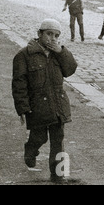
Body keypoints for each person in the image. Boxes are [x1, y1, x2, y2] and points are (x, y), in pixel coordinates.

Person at [12, 19, 78, 183]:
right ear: (39, 34)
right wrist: (22, 108)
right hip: (37, 107)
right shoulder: (24, 55)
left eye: (56, 35)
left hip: (58, 104)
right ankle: (31, 149)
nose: (52, 38)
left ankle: (58, 175)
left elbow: (70, 70)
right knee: (39, 137)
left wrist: (62, 51)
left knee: (58, 140)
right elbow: (19, 84)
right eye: (49, 34)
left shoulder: (58, 54)